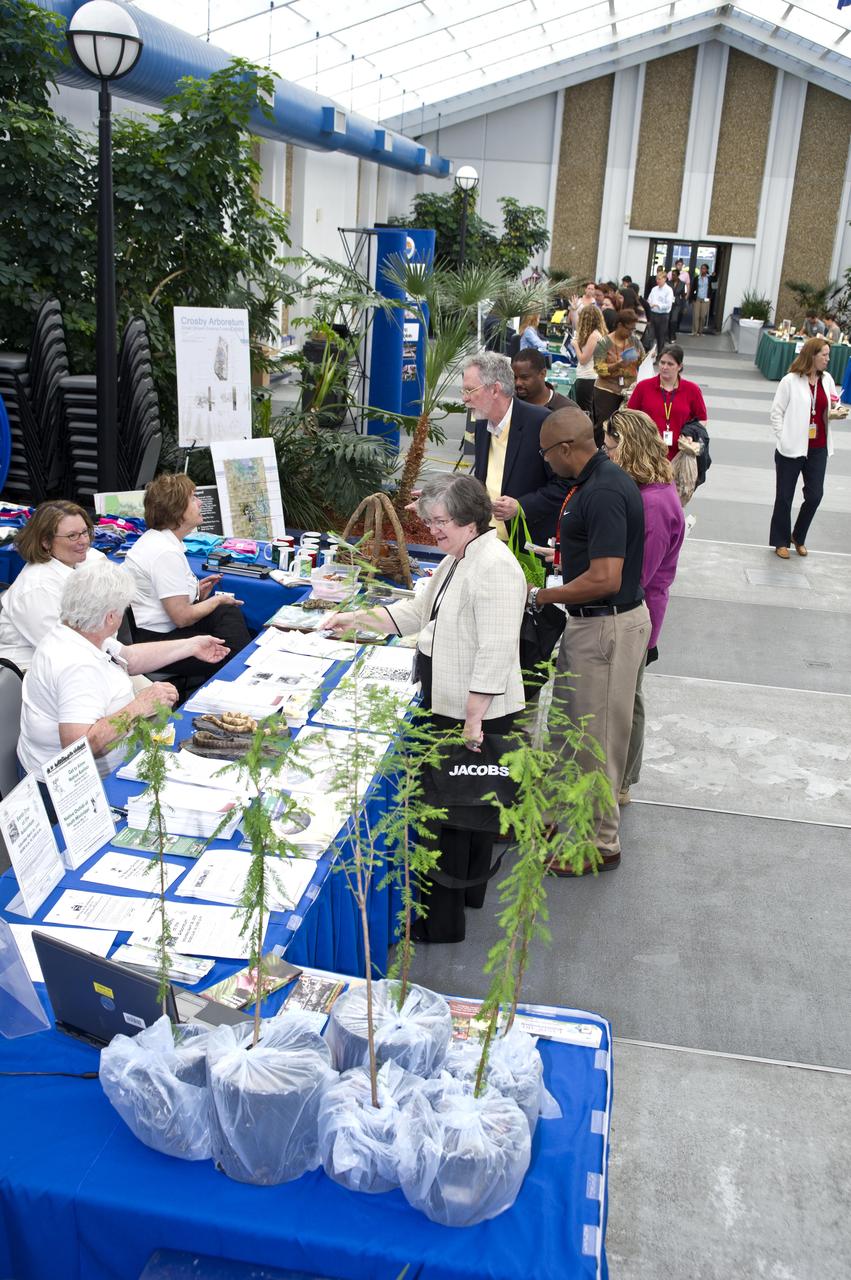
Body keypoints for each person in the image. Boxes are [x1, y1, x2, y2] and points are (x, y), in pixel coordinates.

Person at [327, 474, 527, 943]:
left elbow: (496, 650)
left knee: (449, 819)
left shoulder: (494, 567)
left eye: (440, 522)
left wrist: (474, 719)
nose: (432, 531)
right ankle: (466, 901)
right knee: (471, 815)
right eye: (431, 520)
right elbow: (418, 612)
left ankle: (440, 926)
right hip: (454, 703)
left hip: (471, 712)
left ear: (469, 520)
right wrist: (354, 620)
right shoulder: (461, 557)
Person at [526, 407, 650, 873]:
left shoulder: (603, 491)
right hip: (590, 624)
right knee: (565, 730)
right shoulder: (592, 484)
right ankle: (556, 815)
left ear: (565, 449)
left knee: (596, 740)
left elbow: (604, 577)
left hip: (606, 625)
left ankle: (601, 843)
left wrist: (543, 594)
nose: (544, 462)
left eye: (545, 453)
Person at [18, 562, 229, 789]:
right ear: (110, 617)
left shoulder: (79, 630)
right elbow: (79, 747)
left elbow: (131, 657)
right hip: (75, 789)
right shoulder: (77, 666)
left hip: (95, 773)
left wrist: (192, 646)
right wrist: (140, 705)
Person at [602, 410, 685, 805]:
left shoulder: (653, 503)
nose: (606, 452)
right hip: (642, 609)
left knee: (626, 699)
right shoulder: (650, 491)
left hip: (640, 614)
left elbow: (640, 574)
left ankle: (622, 782)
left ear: (629, 446)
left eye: (611, 446)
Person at [124, 473, 250, 676]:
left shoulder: (160, 541)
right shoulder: (165, 552)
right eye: (193, 498)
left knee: (228, 617)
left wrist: (196, 593)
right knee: (232, 638)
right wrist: (216, 601)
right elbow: (182, 618)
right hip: (156, 642)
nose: (200, 503)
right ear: (176, 510)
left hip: (159, 631)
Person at [463, 352, 567, 546]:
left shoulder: (540, 422)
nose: (464, 399)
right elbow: (483, 478)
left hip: (527, 544)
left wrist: (521, 506)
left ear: (495, 390)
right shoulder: (481, 423)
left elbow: (564, 485)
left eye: (470, 390)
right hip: (487, 538)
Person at [0, 500, 105, 671]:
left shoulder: (71, 563)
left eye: (85, 532)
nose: (84, 541)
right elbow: (61, 650)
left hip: (76, 662)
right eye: (72, 536)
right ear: (46, 542)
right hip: (30, 674)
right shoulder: (37, 587)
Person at [768, 337, 837, 559]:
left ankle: (798, 535)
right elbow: (776, 413)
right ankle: (780, 541)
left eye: (828, 354)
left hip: (819, 447)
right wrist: (784, 437)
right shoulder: (790, 381)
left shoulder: (827, 380)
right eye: (824, 355)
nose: (828, 359)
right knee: (784, 496)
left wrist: (836, 410)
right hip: (791, 448)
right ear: (812, 356)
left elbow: (832, 403)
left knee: (815, 495)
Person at [627, 342, 708, 461]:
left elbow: (702, 419)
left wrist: (690, 434)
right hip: (648, 453)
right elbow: (629, 415)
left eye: (670, 364)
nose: (665, 367)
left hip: (679, 455)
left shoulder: (692, 390)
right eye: (662, 362)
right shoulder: (643, 387)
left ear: (679, 366)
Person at [592, 308, 642, 438]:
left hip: (628, 391)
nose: (631, 332)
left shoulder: (634, 341)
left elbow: (643, 358)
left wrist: (644, 358)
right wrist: (617, 365)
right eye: (629, 329)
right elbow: (598, 368)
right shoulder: (604, 343)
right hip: (607, 391)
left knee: (626, 428)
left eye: (633, 329)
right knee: (605, 427)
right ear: (620, 325)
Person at [571, 304, 608, 417]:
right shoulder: (598, 333)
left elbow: (583, 360)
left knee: (585, 412)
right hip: (590, 377)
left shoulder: (594, 336)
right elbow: (575, 326)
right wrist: (573, 309)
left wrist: (576, 345)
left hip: (587, 378)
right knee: (587, 410)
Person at [512, 350, 576, 410]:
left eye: (524, 377)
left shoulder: (567, 409)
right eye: (515, 377)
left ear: (543, 373)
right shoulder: (509, 403)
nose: (518, 383)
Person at [646, 269, 674, 358]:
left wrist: (658, 305)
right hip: (653, 314)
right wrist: (650, 304)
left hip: (663, 315)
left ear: (665, 279)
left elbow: (668, 304)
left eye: (659, 279)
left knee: (660, 337)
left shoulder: (668, 290)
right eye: (657, 279)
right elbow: (649, 299)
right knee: (650, 336)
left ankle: (660, 357)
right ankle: (649, 355)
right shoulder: (654, 289)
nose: (657, 281)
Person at [669, 269, 688, 342]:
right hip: (668, 303)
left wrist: (684, 306)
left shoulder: (682, 284)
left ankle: (672, 336)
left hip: (677, 304)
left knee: (673, 320)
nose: (672, 276)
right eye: (672, 275)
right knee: (668, 320)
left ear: (678, 275)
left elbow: (683, 296)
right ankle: (668, 335)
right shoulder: (668, 283)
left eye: (674, 275)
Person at [691, 264, 710, 335]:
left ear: (707, 270)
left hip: (705, 299)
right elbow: (693, 288)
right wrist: (692, 298)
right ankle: (695, 331)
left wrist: (710, 298)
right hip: (697, 299)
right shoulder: (697, 278)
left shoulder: (709, 278)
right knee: (696, 316)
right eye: (701, 268)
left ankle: (700, 331)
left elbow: (712, 286)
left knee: (702, 316)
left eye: (704, 268)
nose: (702, 270)